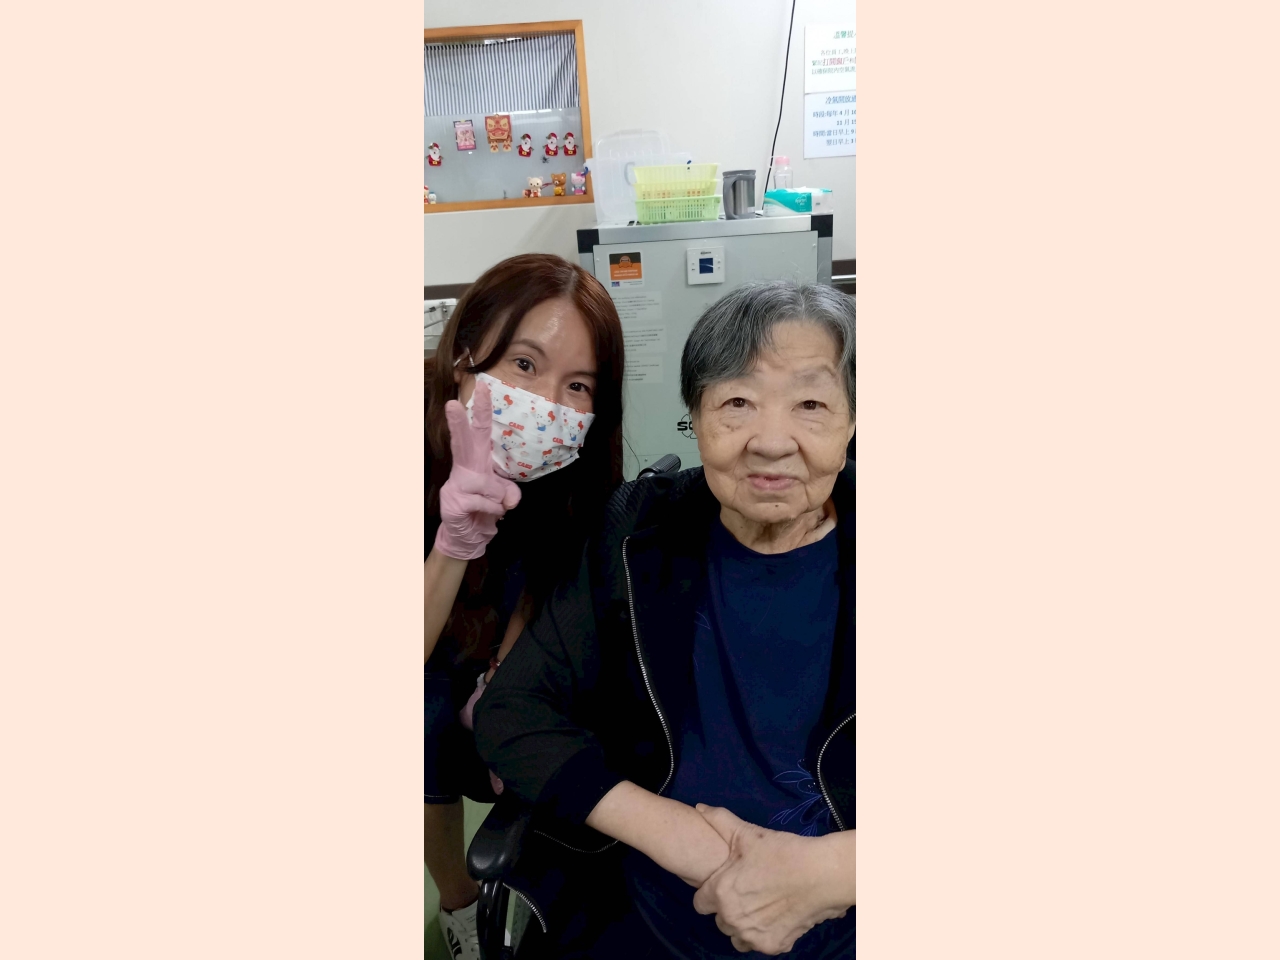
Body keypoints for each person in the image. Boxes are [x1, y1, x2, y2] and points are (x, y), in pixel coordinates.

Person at [475, 280, 857, 959]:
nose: (772, 442)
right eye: (737, 403)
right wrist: (675, 837)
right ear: (695, 418)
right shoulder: (636, 532)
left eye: (811, 404)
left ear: (853, 422)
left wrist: (836, 871)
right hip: (648, 910)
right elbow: (512, 711)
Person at [424, 254, 625, 960]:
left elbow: (555, 572)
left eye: (578, 385)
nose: (545, 403)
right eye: (524, 364)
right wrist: (452, 545)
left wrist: (503, 674)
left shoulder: (574, 474)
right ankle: (456, 900)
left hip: (503, 627)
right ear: (465, 355)